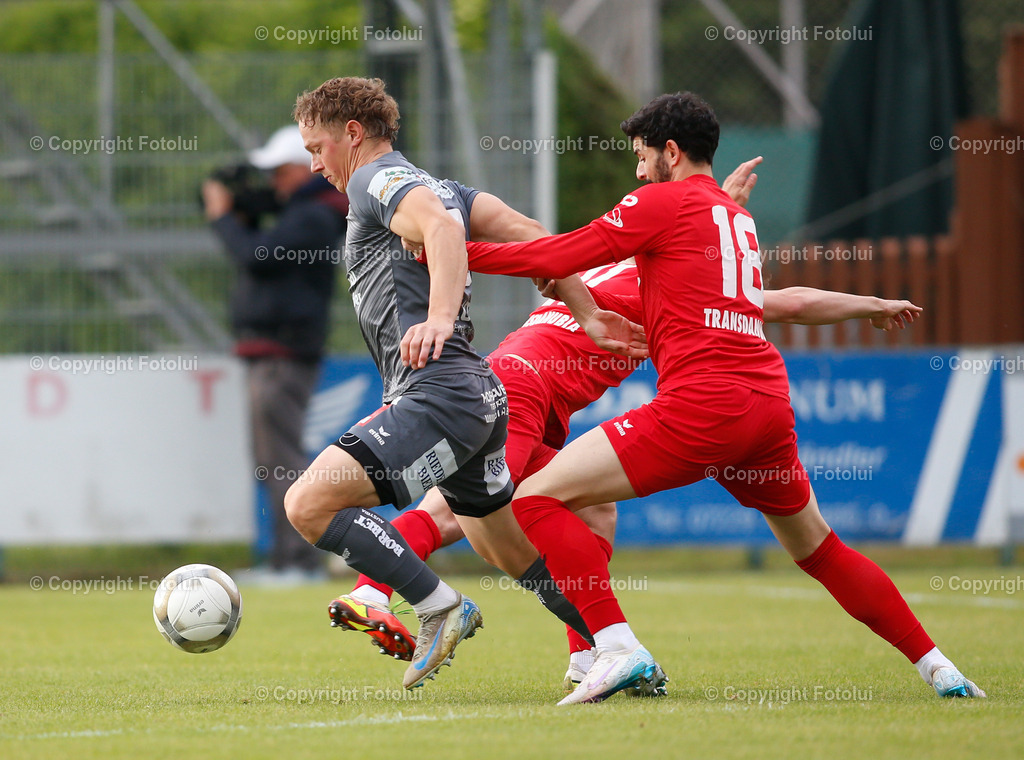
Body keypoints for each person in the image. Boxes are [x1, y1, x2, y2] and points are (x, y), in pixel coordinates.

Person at [456, 91, 984, 704]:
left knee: (535, 499)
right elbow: (784, 301)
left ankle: (615, 647)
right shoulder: (732, 220)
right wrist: (871, 306)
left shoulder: (661, 202)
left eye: (641, 156)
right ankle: (941, 669)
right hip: (767, 404)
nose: (636, 171)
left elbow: (555, 255)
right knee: (820, 548)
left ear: (670, 152)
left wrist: (448, 253)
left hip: (705, 406)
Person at [328, 259, 924, 692]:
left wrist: (727, 202)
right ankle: (373, 589)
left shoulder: (623, 264)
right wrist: (870, 305)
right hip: (523, 388)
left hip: (525, 385)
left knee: (593, 512)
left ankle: (588, 656)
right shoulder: (676, 283)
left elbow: (695, 233)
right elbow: (787, 302)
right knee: (454, 511)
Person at [284, 76, 603, 691]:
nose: (314, 163)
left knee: (309, 503)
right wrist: (585, 311)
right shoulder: (443, 187)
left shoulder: (375, 181)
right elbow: (533, 234)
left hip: (437, 394)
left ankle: (437, 606)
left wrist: (435, 317)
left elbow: (443, 232)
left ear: (353, 134)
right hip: (475, 396)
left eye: (316, 147)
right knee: (508, 551)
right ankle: (616, 645)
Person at [203, 125, 348, 583]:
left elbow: (257, 256)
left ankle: (301, 561)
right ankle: (288, 559)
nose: (272, 183)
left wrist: (224, 218)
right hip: (272, 352)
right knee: (271, 457)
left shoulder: (314, 216)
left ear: (301, 168)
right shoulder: (303, 211)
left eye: (278, 172)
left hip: (284, 352)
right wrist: (234, 209)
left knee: (281, 457)